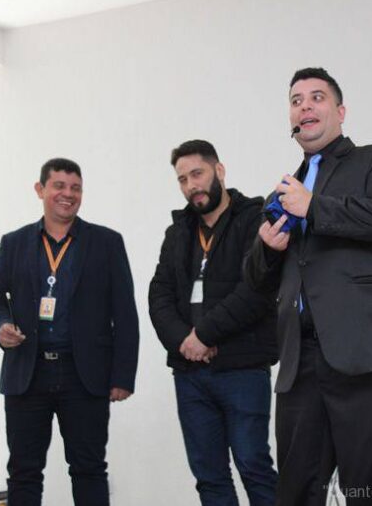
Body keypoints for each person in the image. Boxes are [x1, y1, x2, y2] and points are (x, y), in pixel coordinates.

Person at [245, 67, 372, 506]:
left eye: (317, 97)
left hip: (368, 359)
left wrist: (314, 207)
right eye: (296, 101)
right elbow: (256, 281)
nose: (304, 106)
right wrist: (267, 249)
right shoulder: (283, 193)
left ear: (340, 112)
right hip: (300, 366)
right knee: (293, 495)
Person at [0, 158, 139, 505]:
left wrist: (122, 376)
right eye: (59, 186)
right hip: (27, 371)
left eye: (75, 188)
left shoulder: (106, 243)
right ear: (40, 190)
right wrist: (0, 326)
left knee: (89, 470)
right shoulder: (14, 243)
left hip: (84, 375)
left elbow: (125, 314)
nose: (68, 194)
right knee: (23, 473)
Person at [148, 140, 278, 505]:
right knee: (209, 477)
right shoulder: (177, 232)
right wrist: (184, 341)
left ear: (219, 171)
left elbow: (255, 291)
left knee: (254, 466)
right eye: (182, 179)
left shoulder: (254, 220)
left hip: (242, 368)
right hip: (190, 373)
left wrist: (204, 335)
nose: (192, 185)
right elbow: (159, 295)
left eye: (197, 174)